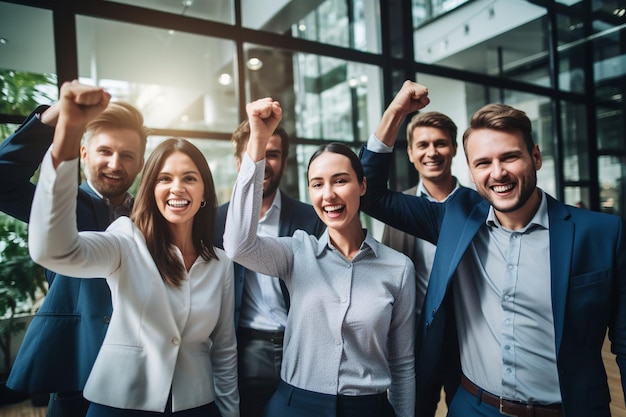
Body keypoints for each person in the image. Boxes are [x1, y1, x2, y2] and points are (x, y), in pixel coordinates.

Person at [360, 80, 626, 417]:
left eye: (510, 157)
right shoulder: (455, 221)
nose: (497, 173)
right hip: (474, 407)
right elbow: (370, 194)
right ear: (470, 171)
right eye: (483, 163)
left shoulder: (602, 233)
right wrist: (396, 111)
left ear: (536, 157)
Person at [27, 82, 239, 417]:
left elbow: (224, 349)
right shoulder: (126, 240)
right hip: (119, 403)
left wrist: (230, 413)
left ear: (203, 194)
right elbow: (55, 251)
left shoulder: (221, 263)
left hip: (197, 405)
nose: (176, 188)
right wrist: (67, 131)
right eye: (164, 178)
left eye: (189, 178)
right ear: (150, 188)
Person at [223, 98, 416, 417]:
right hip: (295, 406)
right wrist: (257, 139)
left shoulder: (398, 268)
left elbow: (403, 365)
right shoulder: (297, 252)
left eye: (340, 180)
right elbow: (238, 244)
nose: (328, 195)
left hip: (368, 409)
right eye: (317, 184)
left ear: (362, 185)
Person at [0, 84, 148, 417]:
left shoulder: (149, 215)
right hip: (76, 363)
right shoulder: (57, 204)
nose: (115, 163)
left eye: (127, 155)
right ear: (83, 154)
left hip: (142, 366)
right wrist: (57, 117)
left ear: (140, 164)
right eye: (104, 151)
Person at [213, 120, 325, 417]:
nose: (264, 162)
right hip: (247, 347)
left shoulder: (310, 217)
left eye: (272, 154)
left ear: (284, 163)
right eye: (256, 153)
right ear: (240, 163)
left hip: (303, 344)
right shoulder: (216, 222)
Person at [380, 111, 462, 416]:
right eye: (423, 144)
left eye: (440, 143)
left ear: (454, 148)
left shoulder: (479, 208)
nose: (432, 152)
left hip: (467, 343)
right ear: (411, 153)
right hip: (414, 343)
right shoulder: (397, 211)